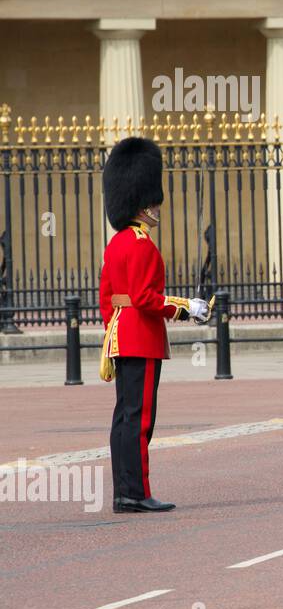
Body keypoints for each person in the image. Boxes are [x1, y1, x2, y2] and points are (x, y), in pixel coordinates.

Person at [98, 137, 209, 513]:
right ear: (144, 203)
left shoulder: (115, 244)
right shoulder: (142, 243)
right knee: (140, 419)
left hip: (119, 335)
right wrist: (187, 308)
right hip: (141, 339)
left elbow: (107, 299)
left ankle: (123, 490)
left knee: (124, 418)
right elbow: (146, 298)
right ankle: (136, 492)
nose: (157, 208)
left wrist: (115, 329)